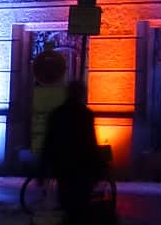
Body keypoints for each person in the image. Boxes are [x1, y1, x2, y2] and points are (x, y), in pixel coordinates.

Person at [40, 78, 101, 223]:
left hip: (64, 168)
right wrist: (98, 169)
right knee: (81, 209)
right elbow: (91, 144)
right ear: (81, 94)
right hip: (82, 169)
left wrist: (43, 169)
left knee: (68, 206)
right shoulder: (86, 115)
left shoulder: (57, 114)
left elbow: (49, 142)